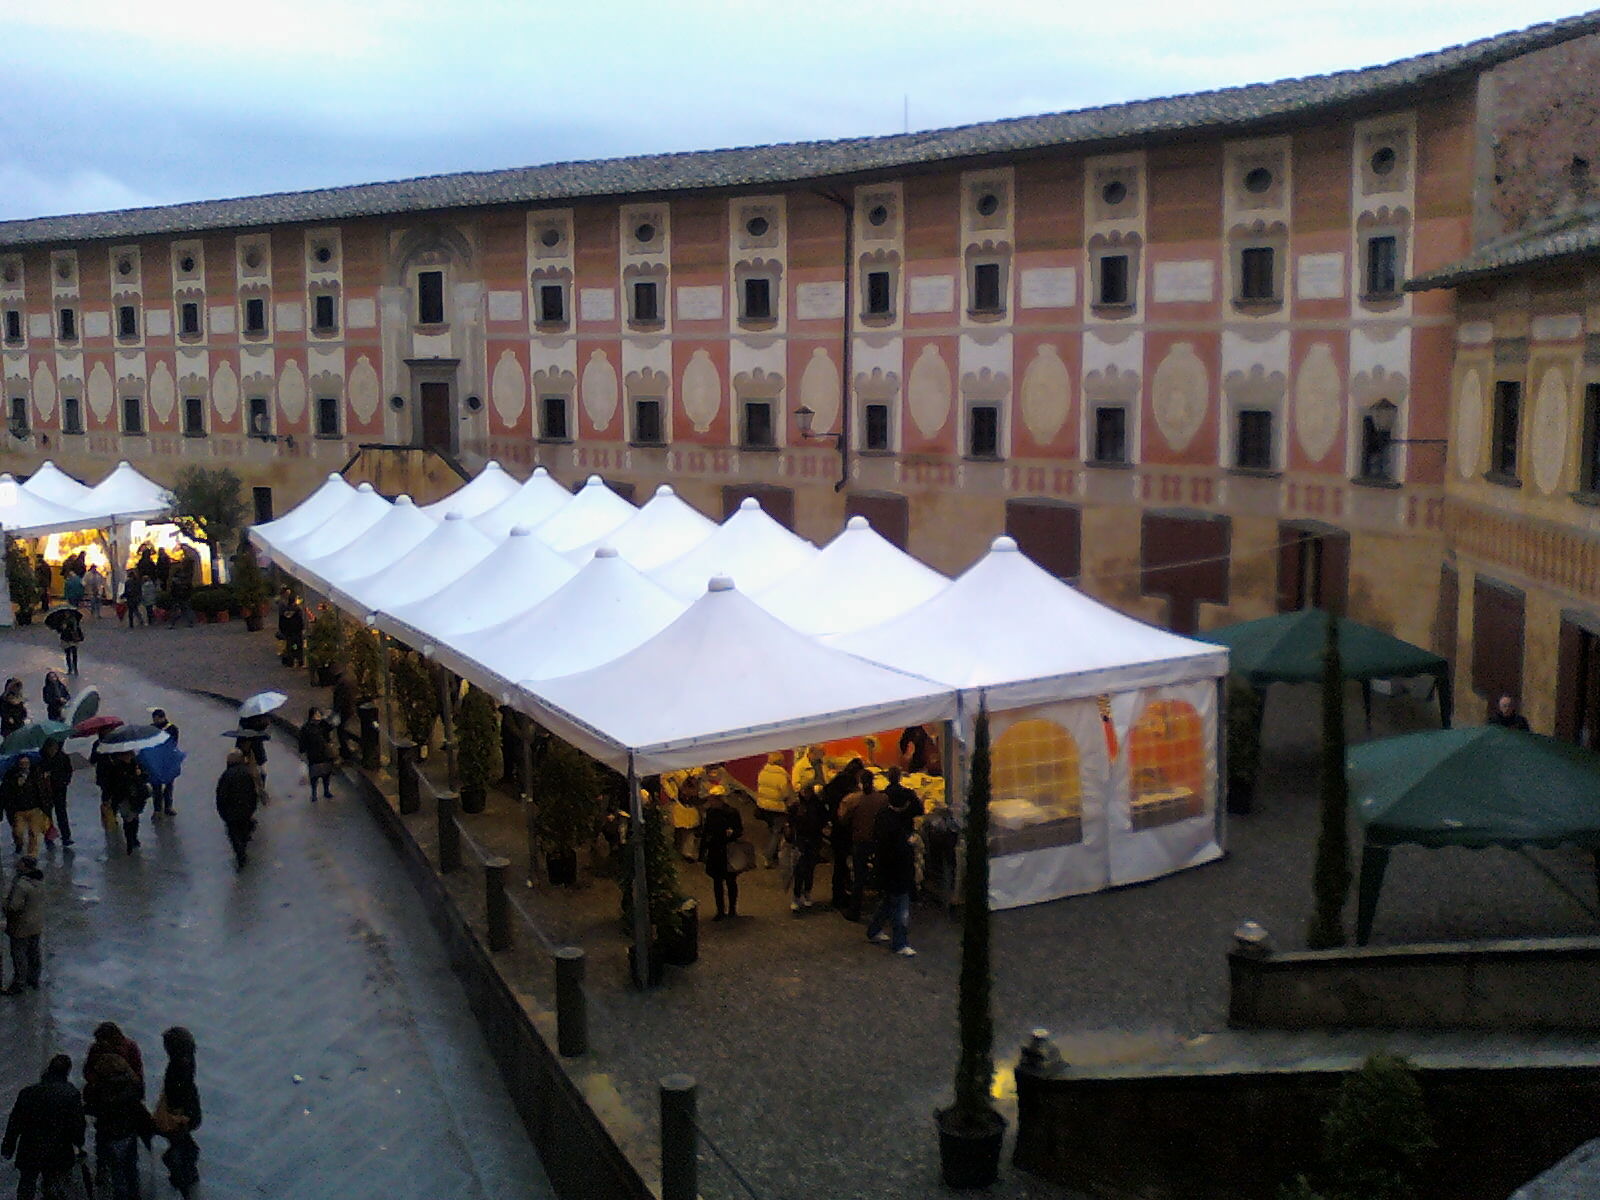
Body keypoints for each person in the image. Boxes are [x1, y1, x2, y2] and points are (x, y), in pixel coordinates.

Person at [2, 1054, 85, 1200]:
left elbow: (15, 1122)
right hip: (58, 1147)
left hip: (30, 1146)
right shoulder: (71, 1094)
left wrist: (8, 1146)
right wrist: (78, 1142)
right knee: (52, 1183)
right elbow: (76, 1123)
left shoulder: (28, 1093)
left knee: (27, 1183)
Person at [81, 1055, 150, 1200]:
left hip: (109, 1134)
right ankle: (134, 1194)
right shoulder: (134, 1084)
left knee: (117, 1172)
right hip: (129, 1133)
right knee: (130, 1168)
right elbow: (138, 1108)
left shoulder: (101, 1088)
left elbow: (92, 1106)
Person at [866, 780, 920, 957]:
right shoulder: (897, 823)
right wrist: (909, 843)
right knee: (901, 909)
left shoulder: (883, 816)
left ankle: (874, 930)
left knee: (889, 902)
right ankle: (900, 943)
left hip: (886, 870)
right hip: (898, 871)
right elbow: (896, 848)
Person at [154, 1027, 200, 1197]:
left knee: (180, 1146)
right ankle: (186, 1174)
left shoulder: (176, 1068)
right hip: (189, 1111)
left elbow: (176, 1094)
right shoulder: (189, 1060)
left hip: (179, 1114)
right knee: (184, 1144)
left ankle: (182, 1178)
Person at [847, 771, 890, 922]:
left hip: (860, 840)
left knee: (859, 877)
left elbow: (843, 817)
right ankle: (881, 911)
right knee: (880, 875)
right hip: (877, 841)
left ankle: (854, 911)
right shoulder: (882, 799)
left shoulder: (854, 799)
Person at [821, 759, 863, 911]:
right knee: (842, 863)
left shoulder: (837, 781)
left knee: (840, 863)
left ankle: (839, 894)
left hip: (837, 828)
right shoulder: (849, 786)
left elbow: (824, 794)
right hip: (844, 829)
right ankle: (840, 896)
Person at [698, 785, 744, 921]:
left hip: (726, 850)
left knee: (729, 881)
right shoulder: (712, 813)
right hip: (716, 851)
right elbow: (706, 832)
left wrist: (732, 833)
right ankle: (721, 910)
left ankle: (731, 909)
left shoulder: (730, 813)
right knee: (718, 882)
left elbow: (739, 830)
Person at [2, 855, 44, 993]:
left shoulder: (21, 884)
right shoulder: (39, 881)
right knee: (34, 952)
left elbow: (14, 906)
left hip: (21, 926)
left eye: (20, 863)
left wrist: (4, 903)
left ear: (25, 866)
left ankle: (19, 983)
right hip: (36, 924)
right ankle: (34, 979)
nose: (17, 864)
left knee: (19, 954)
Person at [215, 750, 259, 869]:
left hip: (231, 813)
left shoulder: (226, 775)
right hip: (245, 810)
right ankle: (242, 849)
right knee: (243, 831)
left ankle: (239, 853)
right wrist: (252, 808)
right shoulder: (247, 773)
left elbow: (221, 795)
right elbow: (253, 793)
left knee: (234, 834)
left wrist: (222, 812)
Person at [787, 784, 827, 913]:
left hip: (812, 840)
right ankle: (798, 895)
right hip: (802, 841)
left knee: (809, 869)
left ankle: (805, 893)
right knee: (800, 870)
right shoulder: (799, 806)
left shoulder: (814, 805)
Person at [102, 753, 149, 855]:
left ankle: (134, 837)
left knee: (134, 818)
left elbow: (145, 777)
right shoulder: (115, 767)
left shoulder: (136, 764)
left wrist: (140, 774)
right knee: (128, 818)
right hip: (123, 797)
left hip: (136, 797)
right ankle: (129, 841)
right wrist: (107, 798)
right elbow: (110, 784)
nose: (127, 757)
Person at [140, 713, 185, 818]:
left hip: (168, 761)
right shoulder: (151, 729)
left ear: (163, 717)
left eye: (157, 719)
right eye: (154, 719)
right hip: (155, 761)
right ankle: (157, 810)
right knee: (156, 786)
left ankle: (168, 807)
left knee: (169, 785)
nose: (156, 721)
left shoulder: (172, 728)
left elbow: (173, 743)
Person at [754, 751, 794, 868]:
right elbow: (785, 793)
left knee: (773, 830)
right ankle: (769, 856)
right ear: (781, 761)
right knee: (777, 833)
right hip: (777, 808)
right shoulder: (782, 776)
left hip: (763, 806)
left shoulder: (763, 772)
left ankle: (772, 853)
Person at [3, 759, 49, 858]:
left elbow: (42, 790)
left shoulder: (35, 774)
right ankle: (19, 844)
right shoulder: (11, 776)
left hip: (34, 808)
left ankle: (31, 854)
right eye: (22, 764)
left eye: (26, 763)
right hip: (18, 810)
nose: (24, 766)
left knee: (33, 832)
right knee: (18, 831)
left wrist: (45, 807)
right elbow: (5, 793)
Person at [83, 1025, 143, 1097]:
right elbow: (88, 1070)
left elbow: (137, 1076)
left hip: (124, 1088)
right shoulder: (96, 1048)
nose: (100, 1043)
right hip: (101, 1087)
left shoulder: (130, 1047)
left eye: (102, 1040)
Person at [37, 739, 72, 850]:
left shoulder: (62, 757)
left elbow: (68, 770)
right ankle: (49, 837)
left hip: (60, 789)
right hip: (46, 790)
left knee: (61, 812)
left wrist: (65, 781)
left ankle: (66, 836)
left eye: (55, 748)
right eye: (51, 749)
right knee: (47, 814)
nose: (53, 751)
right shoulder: (41, 759)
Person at [298, 707, 337, 801]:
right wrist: (302, 751)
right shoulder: (306, 728)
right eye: (316, 714)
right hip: (313, 754)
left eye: (319, 714)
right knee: (314, 775)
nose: (318, 717)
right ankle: (314, 793)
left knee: (326, 773)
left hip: (324, 753)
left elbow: (330, 728)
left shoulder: (323, 725)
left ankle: (326, 791)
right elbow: (302, 741)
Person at [330, 670, 360, 761]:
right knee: (343, 729)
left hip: (344, 709)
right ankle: (354, 744)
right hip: (349, 707)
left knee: (341, 730)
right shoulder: (348, 679)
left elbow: (340, 699)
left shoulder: (341, 684)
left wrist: (335, 711)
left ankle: (346, 751)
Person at [277, 589, 305, 668]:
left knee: (290, 645)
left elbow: (281, 621)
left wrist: (282, 630)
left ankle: (291, 661)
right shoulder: (297, 610)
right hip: (297, 632)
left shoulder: (284, 610)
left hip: (288, 632)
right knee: (297, 645)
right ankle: (300, 660)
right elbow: (300, 621)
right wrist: (302, 628)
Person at [55, 610, 83, 676]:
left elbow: (76, 629)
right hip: (65, 639)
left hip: (73, 639)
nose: (66, 614)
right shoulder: (62, 621)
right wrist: (62, 627)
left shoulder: (74, 620)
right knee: (68, 654)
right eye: (65, 613)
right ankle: (70, 668)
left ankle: (75, 668)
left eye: (67, 613)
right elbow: (59, 631)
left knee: (74, 654)